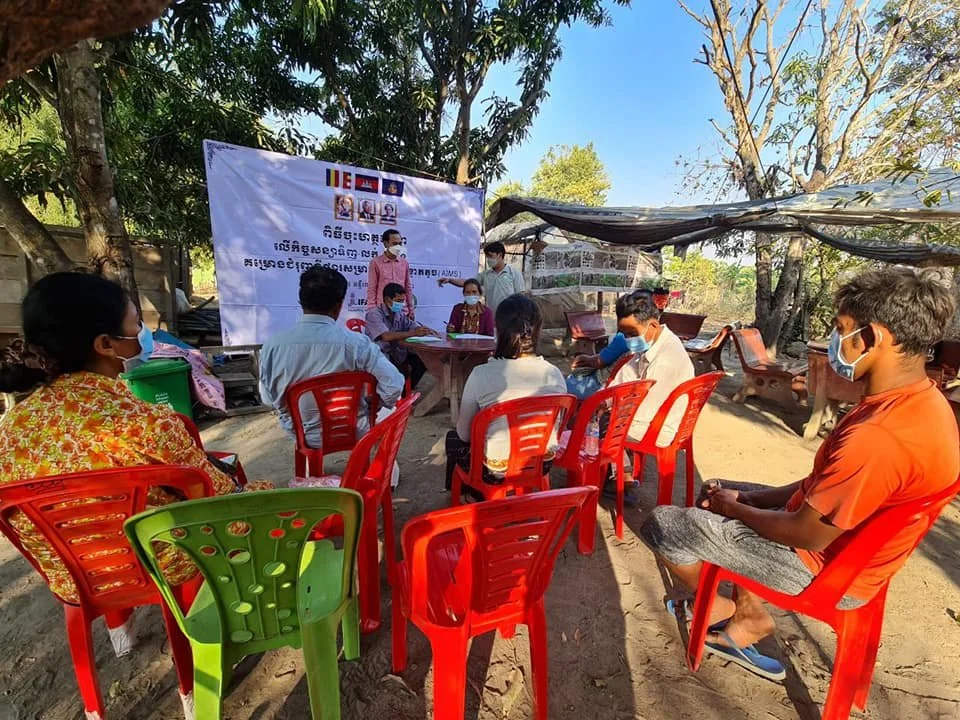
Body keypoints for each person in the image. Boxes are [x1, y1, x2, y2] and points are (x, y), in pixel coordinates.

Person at [639, 267, 959, 681]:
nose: (835, 342)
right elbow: (822, 485)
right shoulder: (916, 401)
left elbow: (806, 533)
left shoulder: (879, 435)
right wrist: (751, 500)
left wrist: (738, 512)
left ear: (874, 338)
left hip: (826, 568)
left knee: (665, 524)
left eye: (841, 329)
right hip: (847, 543)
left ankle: (720, 606)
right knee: (720, 490)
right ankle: (748, 613)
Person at [0, 271, 265, 655]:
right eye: (136, 324)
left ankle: (120, 634)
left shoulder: (10, 431)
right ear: (106, 344)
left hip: (71, 573)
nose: (143, 333)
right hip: (155, 564)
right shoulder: (149, 424)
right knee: (256, 500)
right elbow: (217, 497)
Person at [259, 265, 405, 448]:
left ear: (302, 302)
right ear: (339, 306)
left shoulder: (272, 346)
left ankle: (309, 471)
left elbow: (267, 398)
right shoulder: (358, 344)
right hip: (354, 428)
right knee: (392, 412)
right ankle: (378, 471)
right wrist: (374, 405)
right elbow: (394, 385)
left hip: (301, 433)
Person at [446, 294, 567, 493]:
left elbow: (464, 435)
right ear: (538, 330)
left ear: (497, 331)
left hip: (495, 471)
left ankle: (471, 494)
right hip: (542, 463)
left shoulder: (481, 374)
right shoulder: (554, 374)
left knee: (452, 439)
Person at [365, 282, 437, 389]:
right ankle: (391, 394)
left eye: (403, 301)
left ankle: (406, 390)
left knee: (422, 360)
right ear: (387, 299)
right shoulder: (374, 314)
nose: (401, 304)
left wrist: (425, 329)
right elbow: (386, 336)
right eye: (398, 301)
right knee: (391, 373)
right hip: (380, 355)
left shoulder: (399, 313)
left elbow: (411, 325)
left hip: (397, 353)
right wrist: (414, 333)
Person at [438, 241, 525, 313]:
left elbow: (521, 296)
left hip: (509, 317)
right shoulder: (486, 274)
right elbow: (468, 283)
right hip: (491, 316)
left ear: (500, 255)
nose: (488, 260)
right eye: (487, 257)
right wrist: (450, 280)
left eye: (491, 256)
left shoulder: (514, 273)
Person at [367, 229, 414, 318]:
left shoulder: (404, 263)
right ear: (385, 243)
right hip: (383, 311)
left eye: (400, 244)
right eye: (394, 244)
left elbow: (407, 287)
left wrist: (411, 310)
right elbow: (372, 288)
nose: (398, 247)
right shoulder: (376, 262)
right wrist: (372, 311)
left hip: (401, 310)